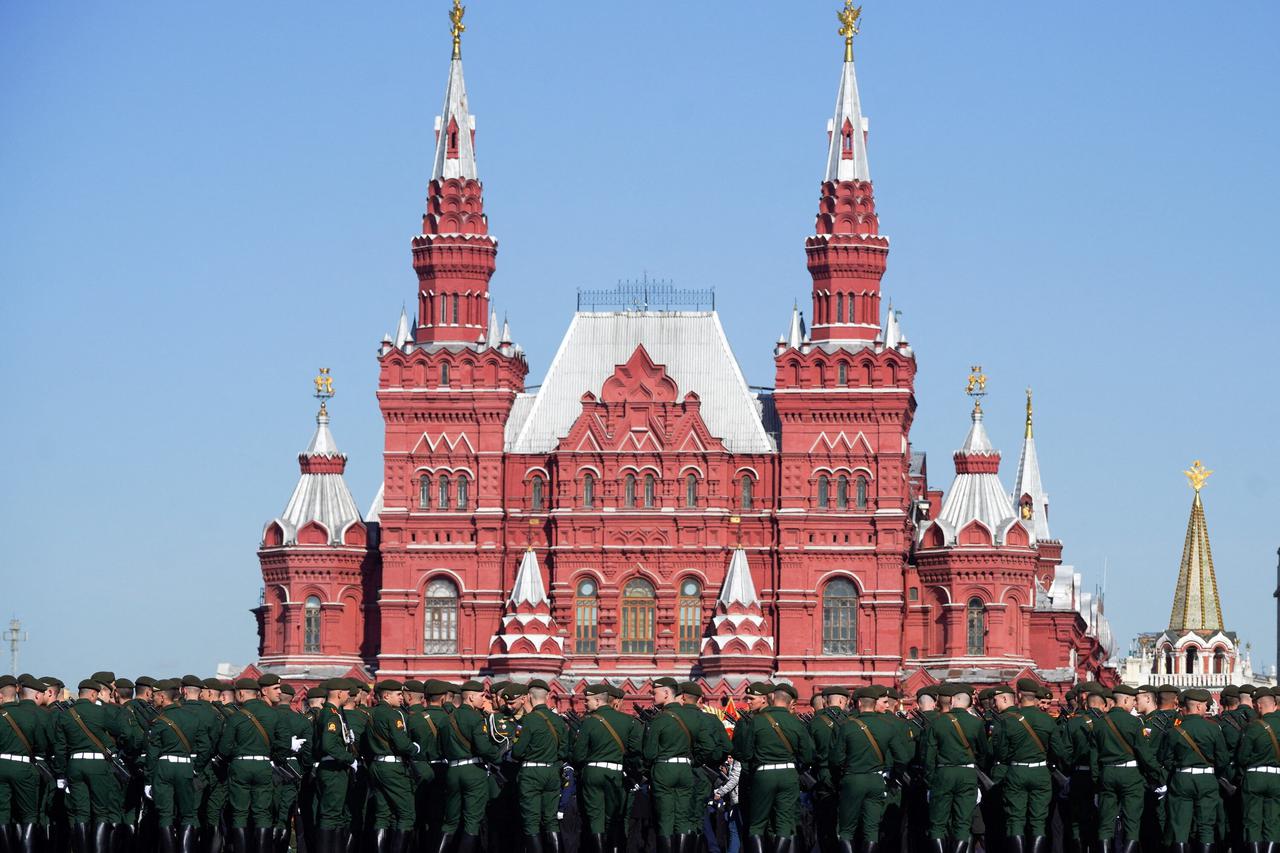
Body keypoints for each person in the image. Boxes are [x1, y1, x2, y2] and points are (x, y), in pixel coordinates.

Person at [829, 685, 911, 852]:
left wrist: (840, 779)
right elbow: (902, 757)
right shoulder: (888, 726)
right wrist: (895, 776)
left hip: (852, 779)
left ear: (859, 703)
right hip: (876, 779)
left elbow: (836, 760)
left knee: (846, 830)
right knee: (872, 830)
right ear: (875, 703)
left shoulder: (847, 726)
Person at [51, 678, 129, 853]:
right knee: (101, 812)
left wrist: (62, 773)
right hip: (97, 765)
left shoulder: (65, 715)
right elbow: (119, 730)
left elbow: (60, 748)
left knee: (81, 812)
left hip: (74, 764)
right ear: (94, 694)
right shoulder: (100, 712)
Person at [736, 683, 815, 853]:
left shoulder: (756, 721)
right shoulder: (796, 723)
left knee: (756, 824)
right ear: (790, 702)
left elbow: (746, 754)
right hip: (788, 774)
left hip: (763, 774)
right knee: (784, 824)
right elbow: (808, 755)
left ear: (771, 698)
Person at [217, 677, 286, 853]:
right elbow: (284, 744)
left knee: (239, 814)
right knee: (263, 814)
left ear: (240, 693)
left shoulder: (236, 716)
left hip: (240, 766)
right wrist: (273, 756)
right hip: (264, 765)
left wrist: (238, 753)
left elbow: (224, 748)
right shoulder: (274, 714)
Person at [990, 680, 1057, 853]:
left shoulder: (1009, 720)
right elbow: (1058, 750)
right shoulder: (1048, 720)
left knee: (1015, 820)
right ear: (1036, 696)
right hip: (1041, 771)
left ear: (1019, 695)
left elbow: (1001, 754)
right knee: (1039, 820)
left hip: (1016, 771)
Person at [148, 678, 213, 853]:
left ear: (162, 697)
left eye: (155, 695)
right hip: (186, 767)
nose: (152, 698)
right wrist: (196, 767)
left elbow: (153, 753)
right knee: (188, 814)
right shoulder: (192, 718)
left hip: (164, 768)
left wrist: (149, 779)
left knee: (165, 815)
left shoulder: (159, 720)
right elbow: (206, 747)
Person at [1159, 688, 1229, 849]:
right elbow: (1223, 759)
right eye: (1205, 706)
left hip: (1181, 778)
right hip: (1206, 779)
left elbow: (1166, 759)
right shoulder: (1213, 729)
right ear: (1198, 707)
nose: (1207, 709)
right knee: (1206, 827)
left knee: (1180, 828)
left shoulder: (1174, 731)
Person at [921, 683, 988, 853]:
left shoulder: (936, 722)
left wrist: (930, 781)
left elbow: (928, 757)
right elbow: (983, 752)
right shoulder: (976, 723)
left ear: (951, 701)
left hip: (943, 773)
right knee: (963, 822)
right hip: (967, 773)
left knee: (937, 823)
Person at [573, 684, 640, 853]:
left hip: (593, 772)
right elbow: (635, 751)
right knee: (615, 818)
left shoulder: (589, 722)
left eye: (587, 700)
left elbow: (578, 755)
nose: (585, 704)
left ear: (597, 700)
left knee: (595, 818)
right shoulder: (628, 721)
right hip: (616, 773)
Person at [439, 680, 502, 853]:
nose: (484, 699)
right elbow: (483, 748)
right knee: (472, 820)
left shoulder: (447, 719)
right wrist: (497, 754)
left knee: (450, 821)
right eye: (482, 696)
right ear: (471, 697)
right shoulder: (475, 717)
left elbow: (440, 748)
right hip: (473, 771)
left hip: (452, 770)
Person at [643, 677, 701, 853]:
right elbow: (703, 747)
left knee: (666, 819)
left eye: (655, 692)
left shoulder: (660, 719)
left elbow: (649, 753)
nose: (653, 696)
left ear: (667, 693)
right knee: (683, 819)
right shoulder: (692, 717)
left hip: (664, 770)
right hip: (685, 769)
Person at [512, 679, 570, 853]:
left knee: (531, 820)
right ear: (547, 697)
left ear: (529, 696)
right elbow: (564, 751)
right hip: (552, 772)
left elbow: (517, 751)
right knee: (551, 819)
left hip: (532, 773)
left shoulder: (529, 720)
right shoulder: (558, 720)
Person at [0, 674, 50, 853]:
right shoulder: (30, 715)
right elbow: (41, 746)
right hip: (23, 767)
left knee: (3, 814)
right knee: (28, 815)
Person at [1235, 686, 1280, 848]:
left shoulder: (1253, 726)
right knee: (1273, 822)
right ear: (1274, 704)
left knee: (1252, 821)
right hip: (1277, 778)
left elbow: (1242, 757)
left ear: (1258, 706)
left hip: (1255, 777)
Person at [808, 686, 849, 853]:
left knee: (825, 824)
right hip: (847, 776)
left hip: (823, 777)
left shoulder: (815, 722)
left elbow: (808, 754)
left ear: (825, 701)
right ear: (842, 700)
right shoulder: (852, 720)